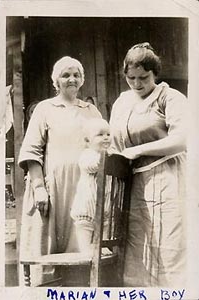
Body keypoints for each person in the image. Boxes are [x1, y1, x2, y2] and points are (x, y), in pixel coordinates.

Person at [18, 56, 102, 285]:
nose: (71, 79)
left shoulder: (91, 111)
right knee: (47, 254)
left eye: (76, 74)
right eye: (65, 75)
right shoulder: (45, 109)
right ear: (56, 81)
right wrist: (38, 188)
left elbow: (103, 144)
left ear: (82, 79)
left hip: (83, 190)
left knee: (80, 251)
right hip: (52, 189)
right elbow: (31, 151)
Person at [109, 42, 187, 287]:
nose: (137, 83)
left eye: (143, 77)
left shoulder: (169, 97)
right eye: (131, 77)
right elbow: (114, 141)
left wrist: (139, 150)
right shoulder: (122, 101)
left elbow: (182, 140)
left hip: (167, 177)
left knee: (169, 245)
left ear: (155, 73)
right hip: (134, 184)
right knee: (138, 246)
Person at [70, 118, 111, 255]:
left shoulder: (107, 155)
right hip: (87, 205)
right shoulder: (88, 155)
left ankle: (102, 245)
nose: (106, 138)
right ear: (88, 141)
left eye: (108, 134)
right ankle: (86, 251)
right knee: (84, 227)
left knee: (106, 224)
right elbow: (93, 166)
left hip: (104, 204)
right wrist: (106, 157)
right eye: (100, 135)